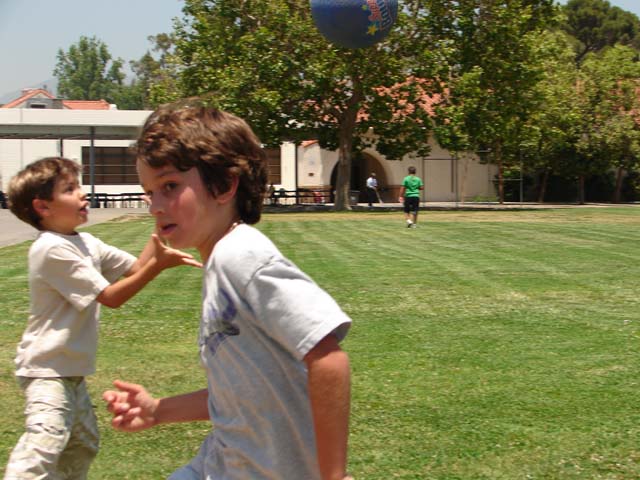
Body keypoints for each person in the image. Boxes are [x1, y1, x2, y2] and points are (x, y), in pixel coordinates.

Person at [102, 99, 353, 480]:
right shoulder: (221, 262)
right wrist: (157, 410)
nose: (155, 206)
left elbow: (329, 359)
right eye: (150, 191)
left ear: (223, 185)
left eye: (169, 186)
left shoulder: (241, 255)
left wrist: (333, 476)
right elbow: (241, 396)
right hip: (218, 465)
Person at [3, 157, 201, 480]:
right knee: (44, 443)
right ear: (43, 206)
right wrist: (159, 265)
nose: (82, 193)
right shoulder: (51, 249)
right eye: (70, 189)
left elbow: (135, 268)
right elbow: (111, 297)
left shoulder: (85, 242)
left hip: (70, 369)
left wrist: (160, 223)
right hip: (46, 370)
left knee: (82, 445)